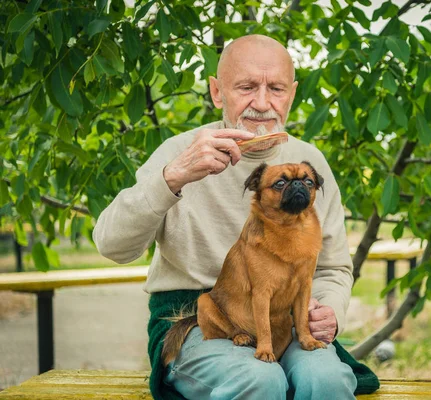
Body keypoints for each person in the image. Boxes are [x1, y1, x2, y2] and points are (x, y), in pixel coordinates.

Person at [93, 34, 378, 400]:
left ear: (291, 94)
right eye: (246, 87)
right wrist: (172, 178)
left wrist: (330, 311)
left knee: (327, 380)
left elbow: (333, 267)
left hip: (285, 318)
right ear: (216, 92)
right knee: (259, 380)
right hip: (196, 319)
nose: (262, 103)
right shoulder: (180, 153)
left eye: (275, 88)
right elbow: (111, 245)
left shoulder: (309, 164)